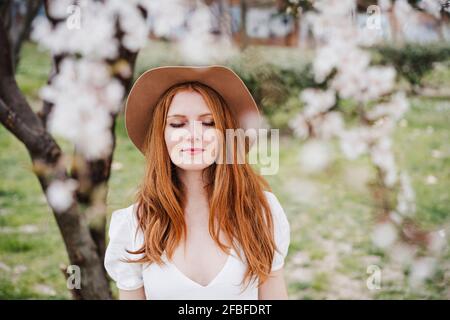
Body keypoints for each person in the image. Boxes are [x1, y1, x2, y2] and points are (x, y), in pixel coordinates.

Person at [104, 65, 290, 300]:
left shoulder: (262, 212)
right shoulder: (134, 225)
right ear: (160, 135)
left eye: (209, 122)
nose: (194, 134)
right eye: (177, 124)